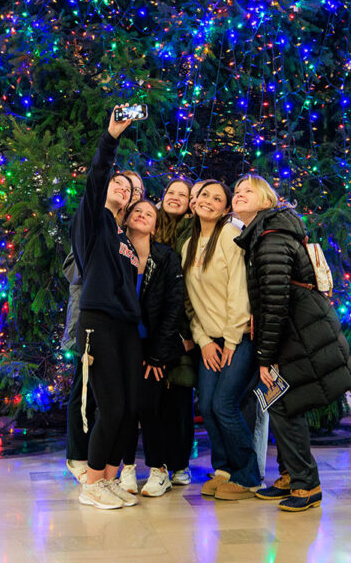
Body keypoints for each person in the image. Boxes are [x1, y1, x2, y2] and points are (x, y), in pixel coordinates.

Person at [232, 174, 351, 512]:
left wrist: (264, 357)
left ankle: (307, 485)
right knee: (281, 403)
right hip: (294, 329)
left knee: (285, 404)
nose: (238, 195)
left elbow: (274, 303)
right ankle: (290, 475)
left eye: (247, 191)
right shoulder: (262, 233)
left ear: (266, 201)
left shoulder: (270, 237)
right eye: (236, 191)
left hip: (296, 332)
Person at [70, 104, 143, 509]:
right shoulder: (93, 222)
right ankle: (92, 482)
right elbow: (97, 177)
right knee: (111, 406)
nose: (123, 188)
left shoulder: (125, 240)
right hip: (98, 321)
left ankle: (111, 477)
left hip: (127, 327)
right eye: (119, 183)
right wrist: (111, 137)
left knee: (130, 407)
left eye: (131, 189)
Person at [182, 180, 261, 500]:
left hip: (237, 337)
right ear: (194, 201)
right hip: (209, 340)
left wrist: (229, 340)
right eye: (204, 196)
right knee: (209, 407)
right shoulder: (187, 244)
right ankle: (224, 468)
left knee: (224, 405)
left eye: (217, 199)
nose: (209, 202)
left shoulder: (229, 235)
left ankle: (248, 474)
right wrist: (203, 340)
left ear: (226, 209)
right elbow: (189, 301)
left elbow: (238, 290)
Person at [119, 199, 185, 496]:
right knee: (124, 408)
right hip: (120, 344)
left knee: (149, 406)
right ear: (127, 219)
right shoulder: (115, 251)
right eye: (137, 211)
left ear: (155, 225)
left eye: (149, 213)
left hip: (154, 344)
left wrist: (158, 354)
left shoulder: (166, 256)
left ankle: (159, 470)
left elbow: (174, 306)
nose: (142, 215)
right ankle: (128, 467)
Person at [151, 178, 196, 486]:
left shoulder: (194, 231)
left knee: (180, 398)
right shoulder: (149, 225)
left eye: (184, 194)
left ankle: (179, 463)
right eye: (171, 192)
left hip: (183, 328)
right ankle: (158, 463)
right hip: (150, 325)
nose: (176, 197)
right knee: (152, 400)